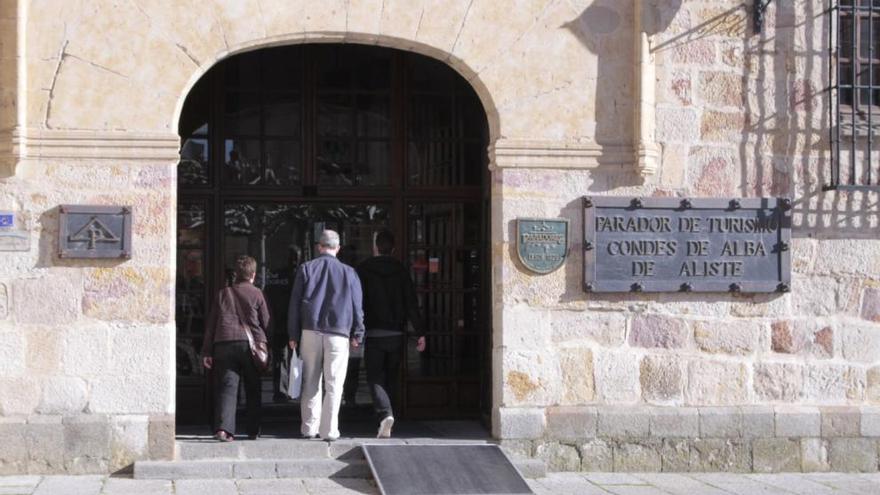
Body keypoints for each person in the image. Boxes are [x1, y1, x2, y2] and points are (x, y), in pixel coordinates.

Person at [288, 229, 365, 441]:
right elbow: (357, 306)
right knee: (334, 382)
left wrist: (293, 333)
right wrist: (358, 333)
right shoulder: (349, 273)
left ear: (319, 247)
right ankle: (329, 430)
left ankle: (308, 427)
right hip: (338, 333)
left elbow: (294, 304)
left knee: (310, 380)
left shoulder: (306, 268)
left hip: (310, 330)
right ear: (337, 248)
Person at [357, 230, 426, 438]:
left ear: (375, 247)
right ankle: (388, 415)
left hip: (373, 333)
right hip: (396, 333)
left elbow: (356, 302)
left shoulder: (363, 270)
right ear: (393, 249)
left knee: (375, 376)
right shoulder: (401, 271)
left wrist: (356, 329)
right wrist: (420, 331)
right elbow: (411, 304)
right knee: (392, 376)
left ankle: (384, 414)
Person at [201, 255, 270, 442]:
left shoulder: (223, 294)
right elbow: (266, 322)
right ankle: (253, 429)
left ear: (236, 274)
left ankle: (224, 429)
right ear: (253, 275)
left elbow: (212, 324)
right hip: (251, 346)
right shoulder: (257, 294)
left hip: (224, 343)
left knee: (227, 388)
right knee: (253, 387)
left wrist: (207, 351)